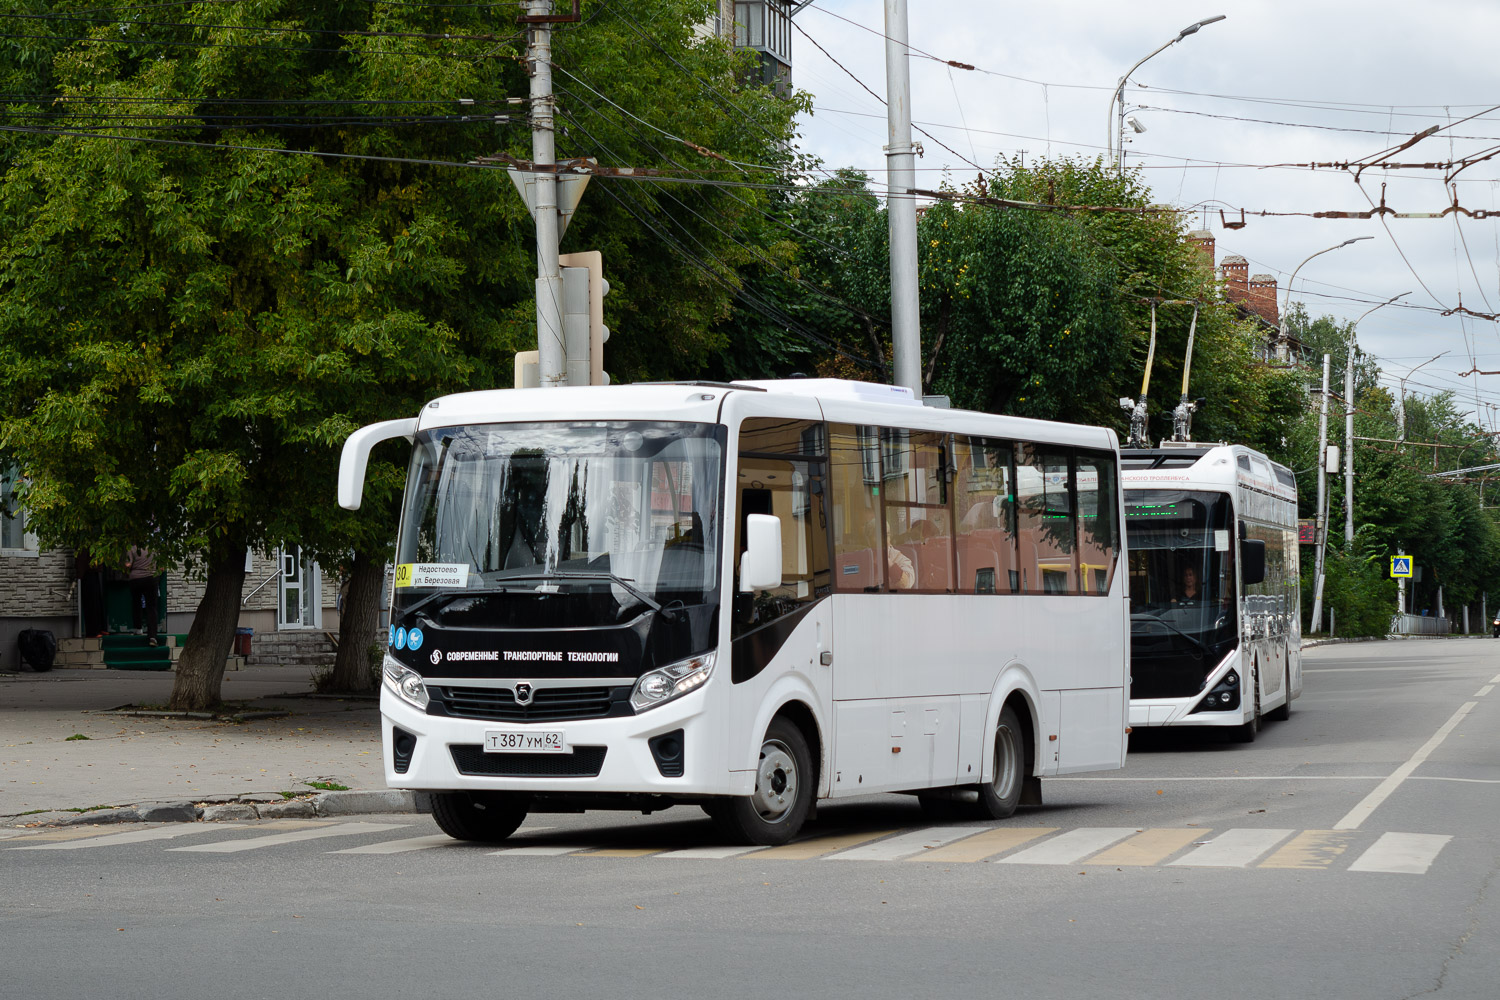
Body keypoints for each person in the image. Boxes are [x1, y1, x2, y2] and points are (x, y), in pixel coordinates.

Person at [125, 547, 160, 646]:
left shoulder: (132, 549)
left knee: (136, 603)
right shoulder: (154, 548)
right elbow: (161, 567)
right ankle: (152, 636)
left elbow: (128, 564)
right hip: (151, 578)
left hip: (135, 579)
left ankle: (138, 629)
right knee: (151, 607)